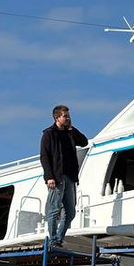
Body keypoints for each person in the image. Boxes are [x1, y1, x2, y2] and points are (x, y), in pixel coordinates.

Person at [40, 105, 89, 247]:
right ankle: (54, 239)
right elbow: (44, 156)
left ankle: (59, 238)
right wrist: (49, 177)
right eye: (65, 116)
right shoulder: (49, 134)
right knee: (54, 210)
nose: (68, 118)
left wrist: (72, 129)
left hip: (70, 177)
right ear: (57, 118)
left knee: (71, 212)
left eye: (69, 116)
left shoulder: (69, 133)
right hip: (57, 177)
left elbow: (84, 141)